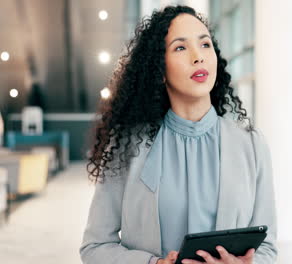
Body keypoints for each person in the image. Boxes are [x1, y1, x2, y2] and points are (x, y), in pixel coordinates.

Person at [80, 5, 277, 264]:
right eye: (180, 47)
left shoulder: (251, 144)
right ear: (159, 70)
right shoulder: (128, 146)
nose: (198, 57)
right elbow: (95, 247)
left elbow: (268, 249)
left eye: (205, 44)